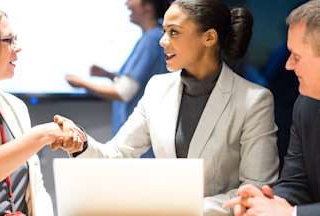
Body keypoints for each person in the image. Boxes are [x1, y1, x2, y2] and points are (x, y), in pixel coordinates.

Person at [57, 0, 279, 215]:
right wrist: (80, 143)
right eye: (164, 31)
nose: (162, 41)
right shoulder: (157, 88)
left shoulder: (254, 100)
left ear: (209, 38)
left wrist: (180, 209)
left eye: (174, 32)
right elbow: (117, 153)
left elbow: (255, 190)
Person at [223, 1, 320, 215]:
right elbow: (296, 184)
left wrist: (292, 214)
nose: (288, 65)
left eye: (296, 57)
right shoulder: (306, 106)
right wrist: (266, 202)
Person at [0, 7, 85, 215]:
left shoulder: (14, 106)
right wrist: (42, 135)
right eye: (8, 40)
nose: (18, 47)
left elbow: (37, 191)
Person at [66, 0, 170, 135]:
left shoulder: (151, 39)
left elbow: (123, 92)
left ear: (148, 6)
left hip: (140, 145)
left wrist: (82, 83)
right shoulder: (153, 37)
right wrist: (108, 74)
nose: (127, 3)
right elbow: (142, 80)